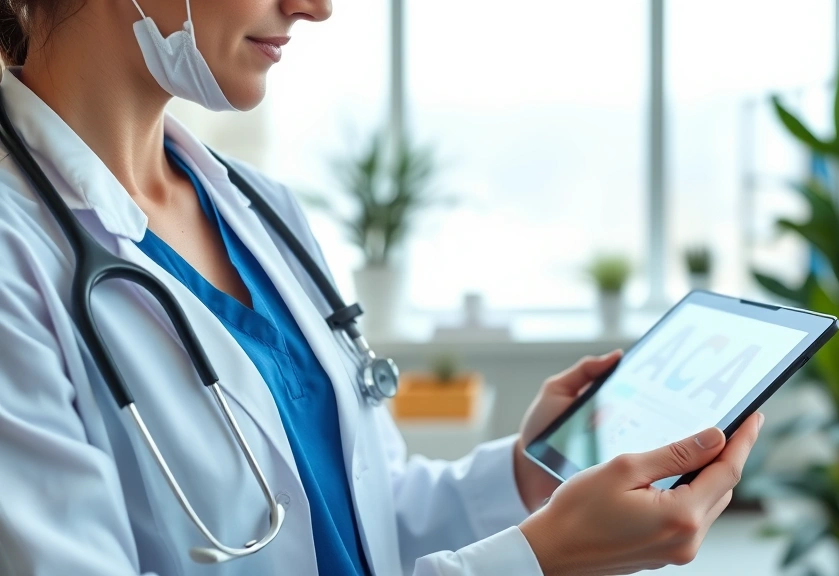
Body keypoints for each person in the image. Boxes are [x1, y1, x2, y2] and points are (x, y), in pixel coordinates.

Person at [0, 0, 763, 574]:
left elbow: (366, 514)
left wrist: (523, 473)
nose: (316, 6)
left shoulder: (262, 212)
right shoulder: (15, 258)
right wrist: (537, 561)